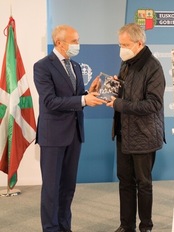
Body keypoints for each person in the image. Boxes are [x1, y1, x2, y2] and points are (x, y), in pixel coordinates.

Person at [33, 24, 106, 232]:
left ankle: (65, 227)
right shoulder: (42, 66)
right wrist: (83, 100)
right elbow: (50, 101)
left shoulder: (74, 66)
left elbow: (74, 95)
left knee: (67, 187)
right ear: (59, 43)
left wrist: (88, 91)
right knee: (51, 189)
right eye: (74, 41)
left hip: (74, 134)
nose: (77, 45)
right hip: (53, 136)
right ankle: (51, 229)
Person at [106, 23, 166, 232]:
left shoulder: (153, 67)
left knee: (143, 184)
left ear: (139, 43)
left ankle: (146, 227)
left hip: (144, 134)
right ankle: (126, 225)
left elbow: (153, 104)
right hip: (124, 132)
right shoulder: (127, 63)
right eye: (120, 44)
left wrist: (119, 104)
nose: (121, 48)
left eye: (125, 44)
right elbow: (126, 91)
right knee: (125, 182)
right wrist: (114, 86)